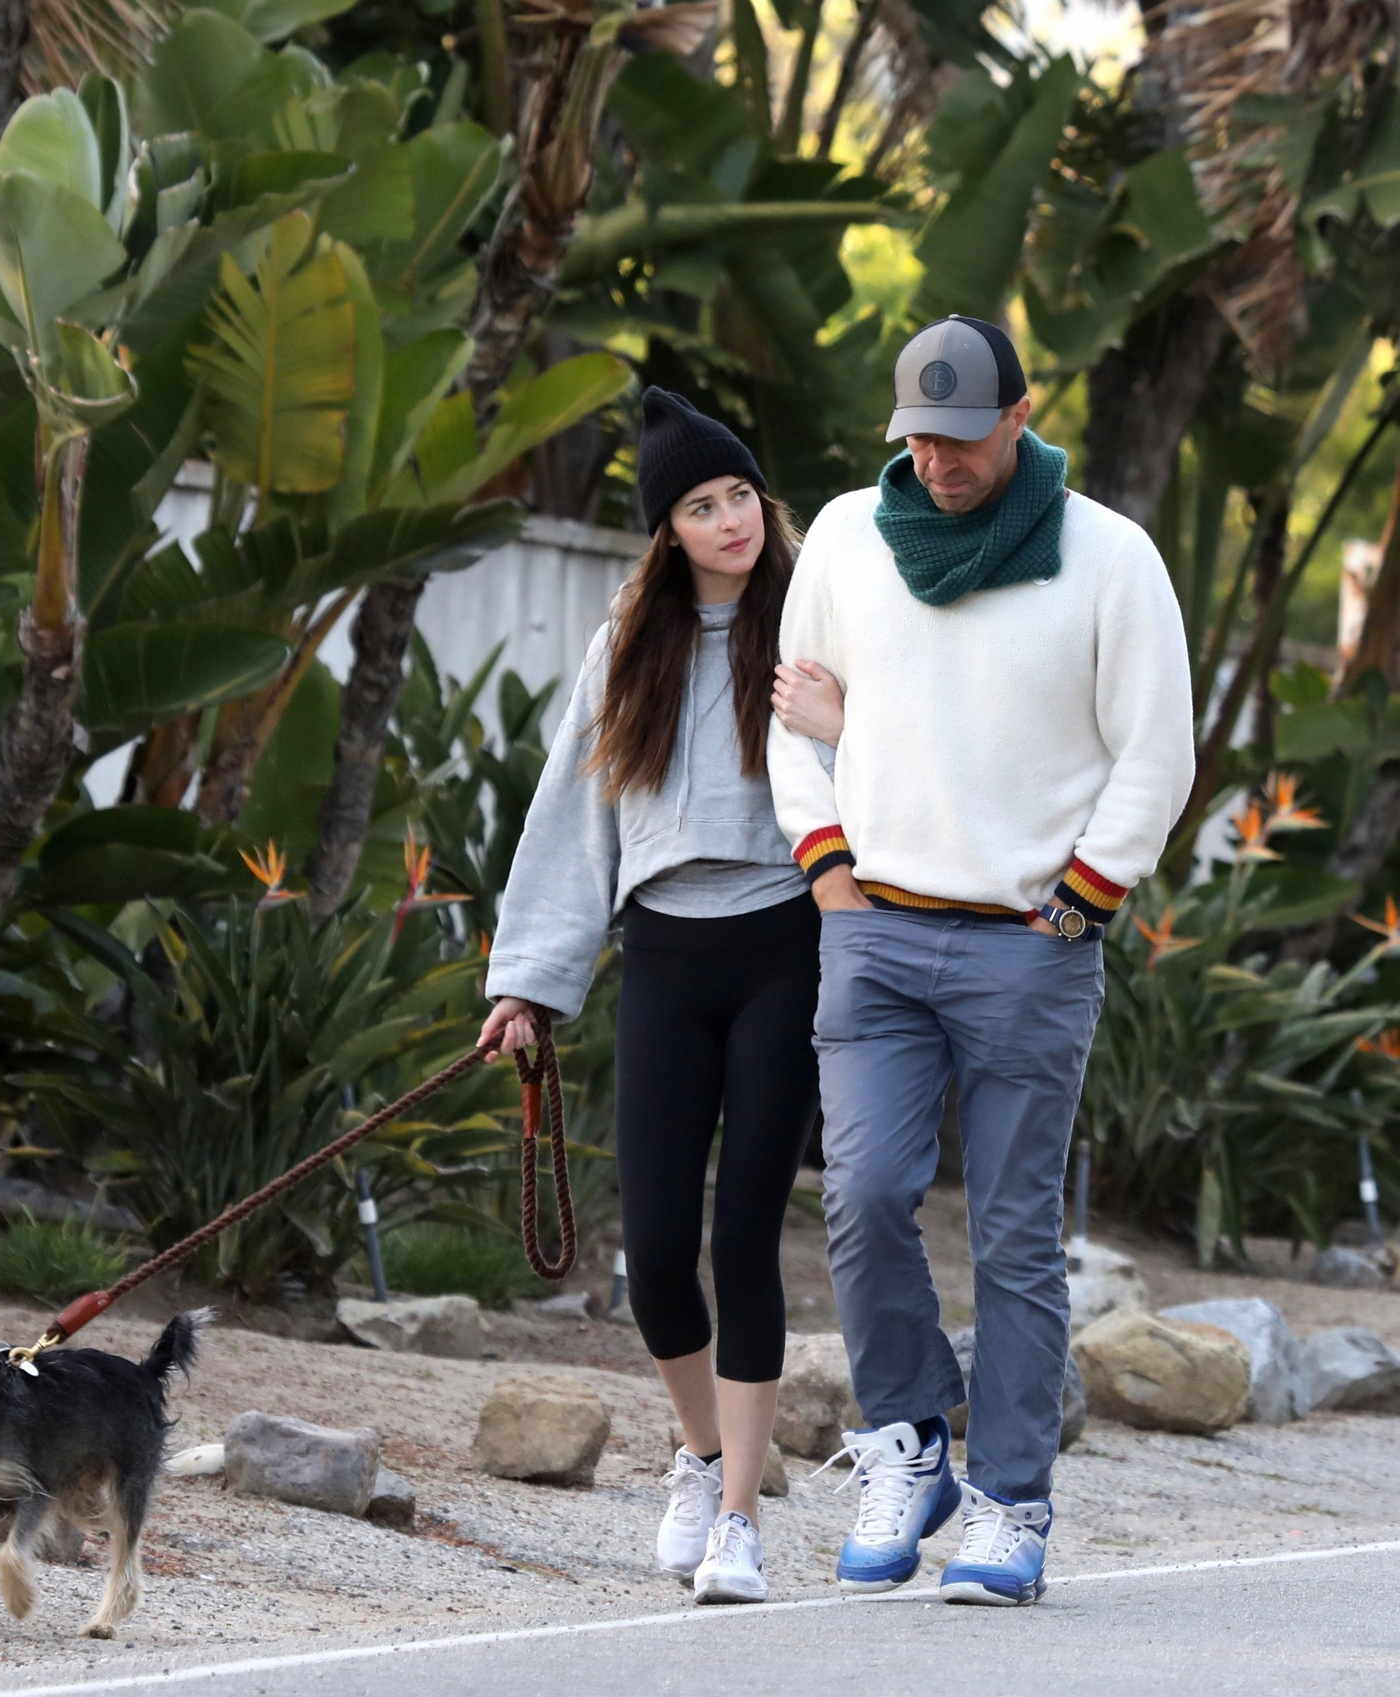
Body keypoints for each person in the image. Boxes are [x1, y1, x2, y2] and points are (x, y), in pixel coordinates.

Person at [766, 315, 1195, 1607]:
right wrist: (832, 876)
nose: (940, 464)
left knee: (1014, 1239)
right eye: (919, 440)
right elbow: (793, 716)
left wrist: (1076, 905)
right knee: (862, 1196)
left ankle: (1012, 1499)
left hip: (1030, 941)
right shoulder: (846, 537)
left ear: (1018, 417)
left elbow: (1157, 753)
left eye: (963, 438)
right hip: (877, 932)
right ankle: (909, 1436)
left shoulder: (1109, 559)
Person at [479, 388, 840, 1606]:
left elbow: (887, 757)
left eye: (740, 493)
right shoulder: (628, 638)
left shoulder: (813, 620)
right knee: (654, 1252)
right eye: (702, 503)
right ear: (667, 528)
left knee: (745, 1232)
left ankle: (738, 1516)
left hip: (785, 939)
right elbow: (572, 813)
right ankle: (694, 1455)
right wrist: (531, 982)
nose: (731, 517)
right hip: (664, 953)